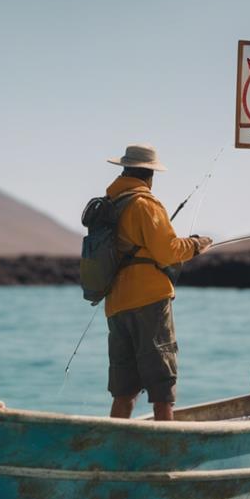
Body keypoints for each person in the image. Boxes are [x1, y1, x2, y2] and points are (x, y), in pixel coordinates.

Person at [102, 143, 213, 421]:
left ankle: (117, 449)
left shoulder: (110, 204)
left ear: (125, 170)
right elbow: (168, 251)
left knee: (123, 390)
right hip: (149, 300)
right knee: (162, 388)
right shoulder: (144, 204)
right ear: (149, 175)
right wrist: (197, 245)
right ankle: (166, 452)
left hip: (115, 302)